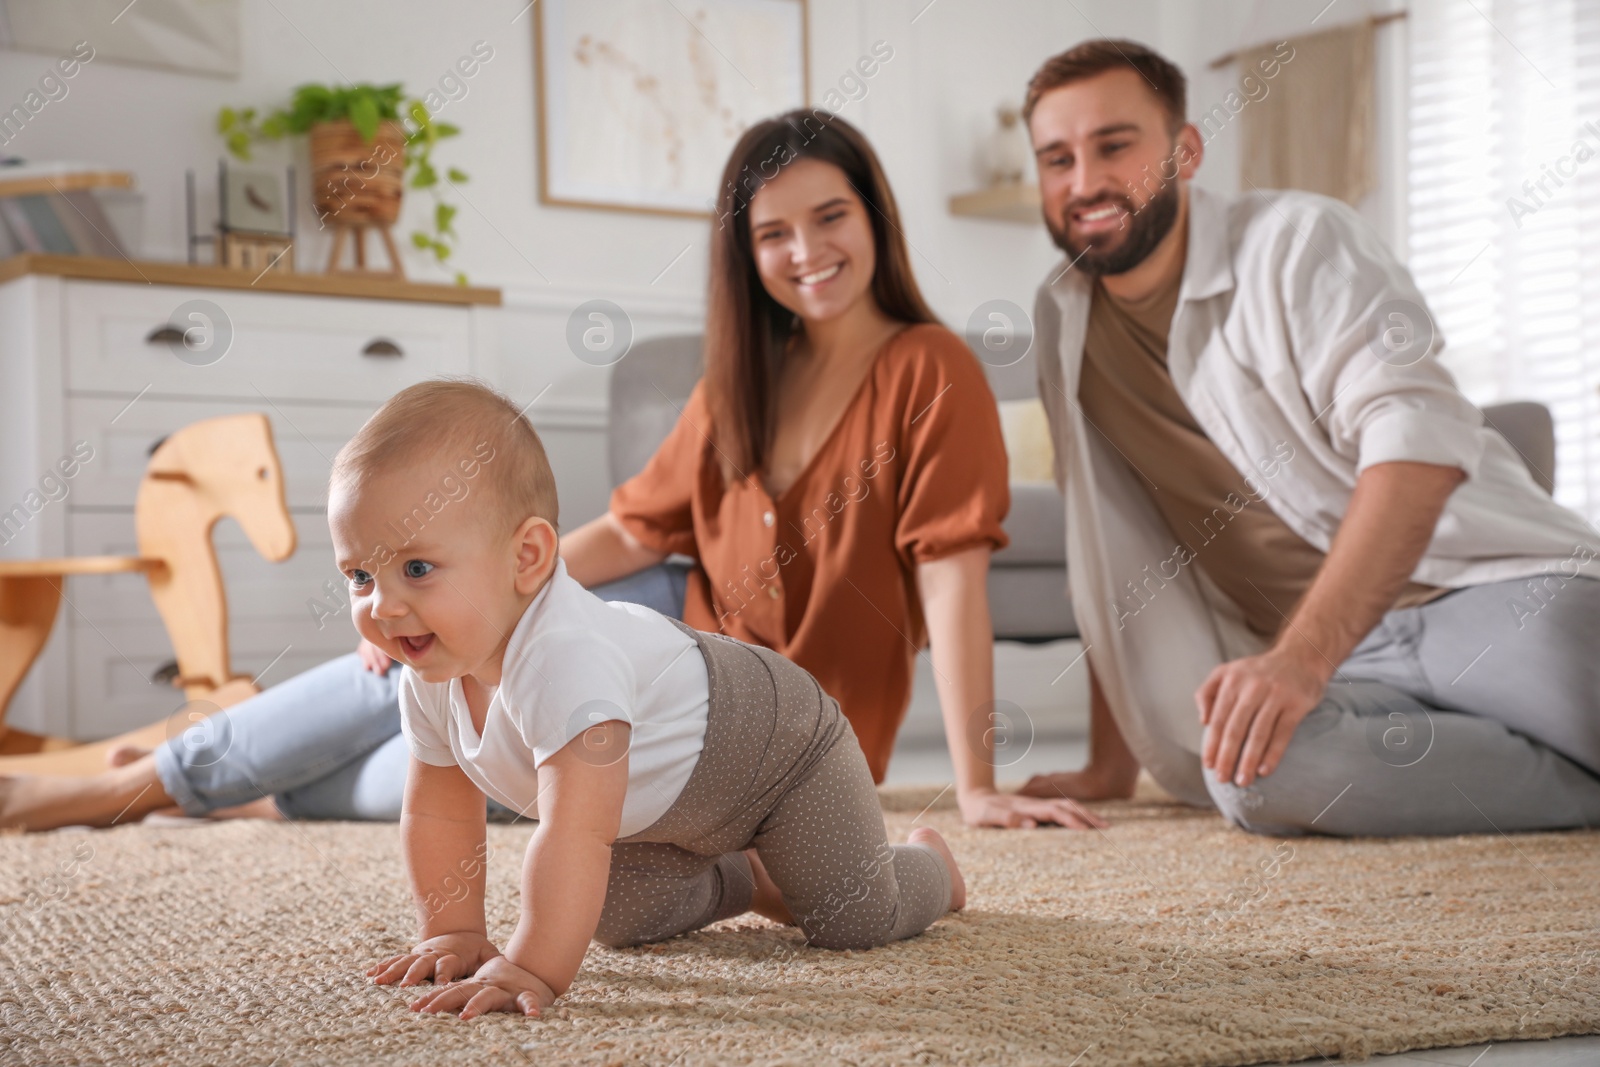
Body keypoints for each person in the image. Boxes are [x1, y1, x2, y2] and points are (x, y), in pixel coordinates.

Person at [0, 110, 1099, 834]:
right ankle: (132, 786)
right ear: (744, 251)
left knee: (476, 786)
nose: (806, 251)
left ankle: (235, 780)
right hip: (660, 612)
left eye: (830, 217)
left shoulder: (930, 365)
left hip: (757, 708)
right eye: (773, 232)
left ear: (874, 220)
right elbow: (631, 533)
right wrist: (448, 592)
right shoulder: (741, 376)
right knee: (421, 668)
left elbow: (952, 571)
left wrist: (975, 783)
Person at [1013, 39, 1600, 836]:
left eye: (1115, 145)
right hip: (1354, 669)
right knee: (1252, 777)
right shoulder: (1063, 317)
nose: (1085, 182)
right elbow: (1114, 544)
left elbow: (1418, 442)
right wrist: (1112, 763)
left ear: (1184, 150)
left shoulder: (1297, 243)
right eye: (1057, 158)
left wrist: (1302, 658)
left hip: (1491, 598)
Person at [334, 379, 963, 1019]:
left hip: (780, 750)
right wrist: (454, 931)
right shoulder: (432, 676)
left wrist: (531, 967)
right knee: (614, 915)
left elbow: (575, 829)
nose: (382, 605)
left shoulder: (567, 659)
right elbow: (439, 813)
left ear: (527, 557)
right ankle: (757, 876)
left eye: (415, 569)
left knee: (852, 919)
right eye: (360, 574)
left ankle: (931, 866)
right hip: (672, 809)